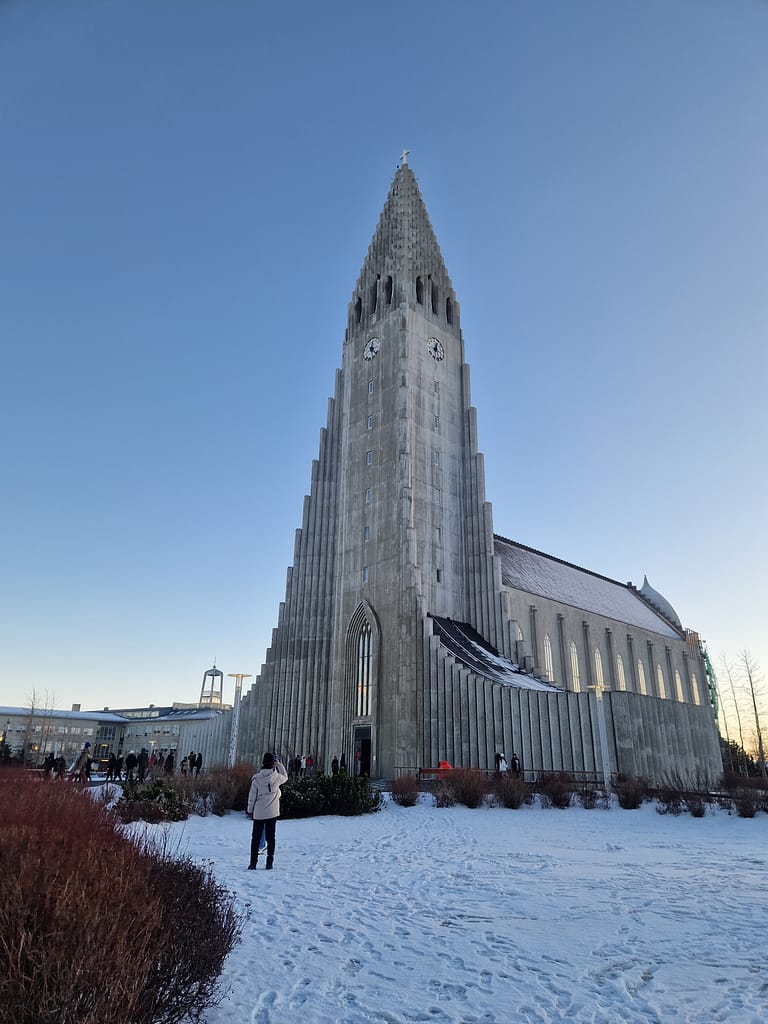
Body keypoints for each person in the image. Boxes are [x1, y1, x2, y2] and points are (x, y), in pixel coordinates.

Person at [247, 752, 288, 870]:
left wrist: (250, 810)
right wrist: (279, 765)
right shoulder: (277, 777)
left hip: (259, 813)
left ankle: (253, 863)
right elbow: (285, 776)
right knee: (271, 838)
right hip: (272, 813)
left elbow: (252, 797)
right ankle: (269, 862)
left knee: (255, 838)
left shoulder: (256, 779)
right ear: (273, 763)